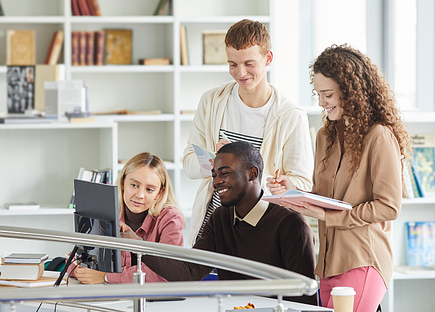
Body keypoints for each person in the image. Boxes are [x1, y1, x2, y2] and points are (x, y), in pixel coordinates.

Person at [268, 44, 411, 311]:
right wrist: (293, 191)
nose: (321, 102)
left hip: (362, 259)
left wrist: (331, 217)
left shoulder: (379, 137)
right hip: (326, 263)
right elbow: (323, 198)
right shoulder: (325, 137)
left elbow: (389, 206)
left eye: (328, 94)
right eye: (318, 94)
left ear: (351, 93)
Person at [183, 19, 314, 244]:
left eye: (249, 64)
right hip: (213, 230)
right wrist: (217, 162)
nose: (240, 72)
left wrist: (274, 183)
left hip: (261, 235)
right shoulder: (212, 102)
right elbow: (188, 163)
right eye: (232, 64)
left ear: (268, 59)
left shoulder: (291, 116)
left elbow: (302, 184)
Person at [142, 142, 317, 306]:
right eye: (214, 175)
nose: (217, 181)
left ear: (252, 173)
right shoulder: (220, 218)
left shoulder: (291, 225)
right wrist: (139, 246)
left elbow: (305, 300)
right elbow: (190, 272)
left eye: (224, 173)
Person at [68, 152, 185, 284]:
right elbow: (73, 260)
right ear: (123, 183)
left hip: (152, 301)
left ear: (160, 193)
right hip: (110, 298)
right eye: (134, 185)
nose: (140, 195)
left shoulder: (170, 219)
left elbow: (168, 273)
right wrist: (80, 271)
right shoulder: (107, 211)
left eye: (150, 189)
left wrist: (106, 276)